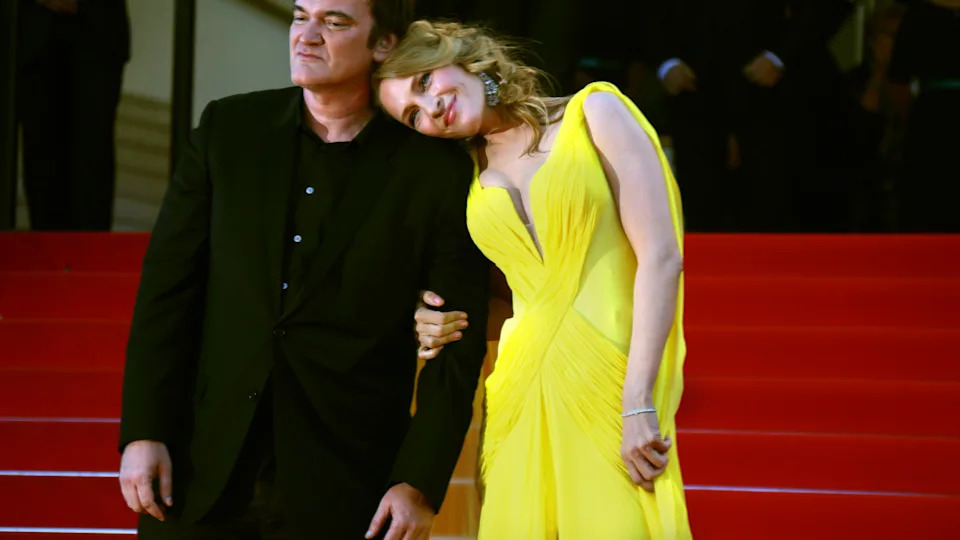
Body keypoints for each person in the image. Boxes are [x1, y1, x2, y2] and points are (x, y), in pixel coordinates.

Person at [117, 1, 490, 539]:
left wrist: (418, 481)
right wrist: (144, 431)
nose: (307, 36)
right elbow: (167, 293)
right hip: (200, 470)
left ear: (383, 44)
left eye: (334, 22)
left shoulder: (433, 169)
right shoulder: (229, 128)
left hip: (349, 485)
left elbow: (456, 340)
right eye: (299, 17)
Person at [375, 21, 691, 539]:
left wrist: (638, 399)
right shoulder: (464, 176)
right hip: (518, 392)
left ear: (457, 55)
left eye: (425, 82)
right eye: (412, 114)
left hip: (612, 381)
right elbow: (505, 302)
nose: (429, 108)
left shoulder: (596, 113)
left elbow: (660, 257)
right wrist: (432, 318)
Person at [634, 0, 854, 232]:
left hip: (771, 102)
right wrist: (665, 61)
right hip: (694, 97)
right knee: (701, 206)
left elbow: (829, 7)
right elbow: (645, 12)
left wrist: (781, 56)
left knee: (769, 207)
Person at [16, 0, 129, 230]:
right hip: (32, 31)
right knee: (39, 156)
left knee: (91, 159)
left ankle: (89, 258)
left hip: (97, 27)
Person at [887, 0, 960, 232]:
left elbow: (898, 82)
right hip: (931, 123)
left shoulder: (918, 15)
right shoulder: (919, 16)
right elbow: (898, 81)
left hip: (929, 120)